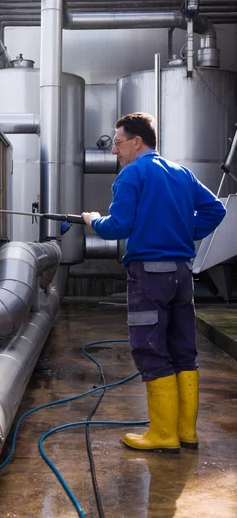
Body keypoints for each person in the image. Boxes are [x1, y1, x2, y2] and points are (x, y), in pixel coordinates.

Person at [82, 112, 226, 454]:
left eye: (117, 143)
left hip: (149, 275)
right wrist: (182, 232)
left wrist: (93, 221)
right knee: (183, 351)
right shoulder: (181, 173)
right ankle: (185, 432)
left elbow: (118, 225)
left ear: (136, 142)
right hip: (181, 274)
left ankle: (162, 434)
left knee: (150, 349)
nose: (114, 150)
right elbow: (215, 212)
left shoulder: (133, 174)